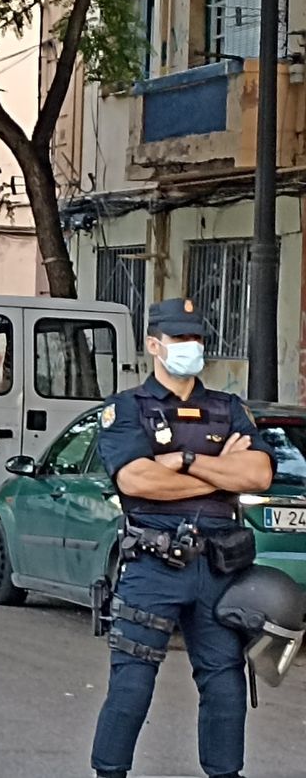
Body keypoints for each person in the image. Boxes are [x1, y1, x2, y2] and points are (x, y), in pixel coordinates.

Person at [90, 298, 275, 778]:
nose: (190, 347)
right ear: (154, 345)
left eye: (196, 339)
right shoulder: (127, 409)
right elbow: (137, 482)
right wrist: (222, 474)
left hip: (219, 567)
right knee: (131, 685)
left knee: (225, 684)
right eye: (179, 339)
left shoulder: (227, 408)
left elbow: (258, 475)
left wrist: (186, 462)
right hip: (153, 565)